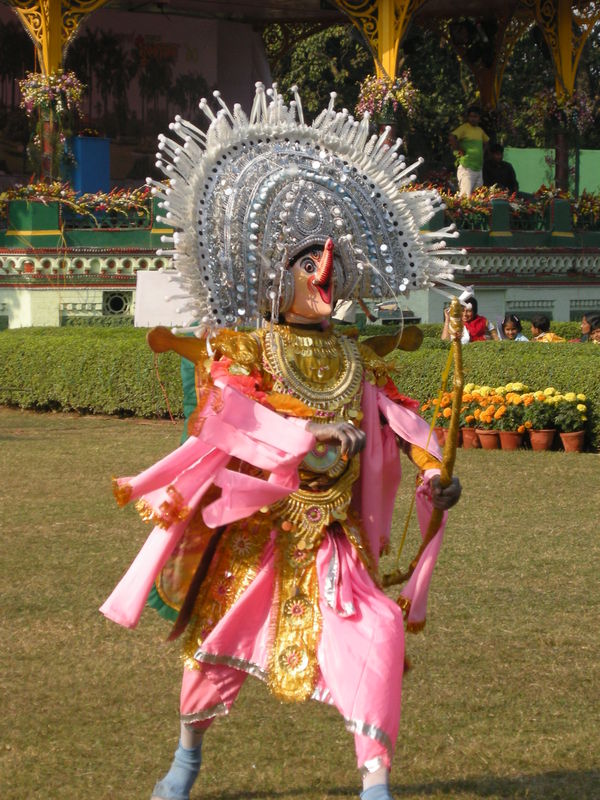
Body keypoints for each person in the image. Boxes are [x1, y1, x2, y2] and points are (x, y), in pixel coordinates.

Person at [100, 85, 464, 800]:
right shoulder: (251, 350)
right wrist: (306, 432)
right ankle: (186, 760)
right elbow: (229, 417)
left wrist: (434, 477)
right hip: (258, 533)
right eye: (308, 265)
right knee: (214, 650)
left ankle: (375, 781)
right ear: (279, 278)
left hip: (332, 538)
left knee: (380, 632)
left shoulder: (357, 360)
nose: (326, 276)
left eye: (333, 267)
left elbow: (406, 424)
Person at [449, 105, 490, 197]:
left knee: (478, 198)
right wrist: (460, 149)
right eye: (471, 116)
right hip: (467, 168)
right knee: (465, 198)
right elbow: (452, 137)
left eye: (475, 117)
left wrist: (482, 153)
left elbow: (487, 141)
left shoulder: (480, 130)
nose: (473, 119)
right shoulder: (464, 128)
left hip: (479, 169)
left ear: (479, 118)